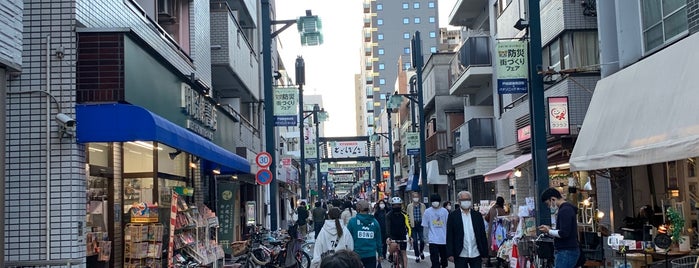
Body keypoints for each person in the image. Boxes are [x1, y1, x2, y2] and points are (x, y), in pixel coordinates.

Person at [538, 188, 579, 268]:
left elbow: (563, 233)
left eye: (548, 203)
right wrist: (550, 230)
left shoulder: (565, 210)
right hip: (567, 251)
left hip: (566, 251)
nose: (549, 207)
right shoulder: (566, 209)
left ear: (553, 199)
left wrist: (548, 231)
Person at [446, 191, 488, 268]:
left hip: (476, 252)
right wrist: (450, 253)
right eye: (464, 200)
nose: (466, 201)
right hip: (460, 253)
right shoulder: (453, 216)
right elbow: (450, 236)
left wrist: (485, 253)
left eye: (468, 199)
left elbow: (482, 235)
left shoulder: (477, 215)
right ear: (459, 201)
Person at [347, 200, 383, 268]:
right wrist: (380, 254)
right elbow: (378, 240)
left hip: (356, 255)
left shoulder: (352, 222)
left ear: (358, 209)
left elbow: (348, 239)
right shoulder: (375, 222)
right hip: (371, 254)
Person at [422, 193, 450, 268]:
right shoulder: (427, 212)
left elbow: (448, 225)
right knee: (435, 261)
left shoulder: (445, 211)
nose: (435, 202)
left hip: (443, 239)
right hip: (432, 240)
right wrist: (425, 238)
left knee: (444, 261)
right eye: (434, 201)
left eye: (437, 201)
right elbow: (425, 226)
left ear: (440, 201)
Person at [386, 196, 412, 267]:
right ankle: (391, 255)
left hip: (402, 235)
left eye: (398, 205)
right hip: (393, 235)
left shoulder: (404, 214)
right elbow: (387, 227)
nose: (397, 206)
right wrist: (388, 237)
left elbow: (408, 226)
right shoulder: (389, 215)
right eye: (395, 205)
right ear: (392, 206)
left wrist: (410, 237)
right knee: (393, 245)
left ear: (401, 205)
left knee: (404, 253)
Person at [484, 196, 507, 267]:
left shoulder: (492, 209)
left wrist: (491, 222)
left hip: (492, 230)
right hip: (500, 231)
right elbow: (505, 220)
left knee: (491, 245)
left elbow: (486, 218)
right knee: (500, 244)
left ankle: (489, 261)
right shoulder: (502, 210)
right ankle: (500, 261)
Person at [406, 191, 426, 262]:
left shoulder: (423, 206)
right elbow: (407, 216)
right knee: (414, 241)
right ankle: (417, 256)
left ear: (419, 197)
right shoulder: (409, 206)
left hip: (421, 224)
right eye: (414, 197)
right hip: (413, 225)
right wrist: (408, 226)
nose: (416, 198)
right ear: (412, 198)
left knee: (422, 240)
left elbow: (425, 215)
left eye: (417, 197)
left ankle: (421, 251)